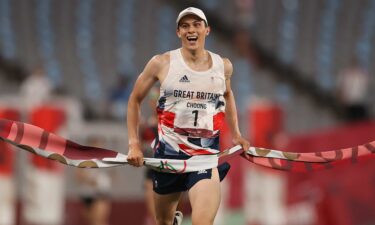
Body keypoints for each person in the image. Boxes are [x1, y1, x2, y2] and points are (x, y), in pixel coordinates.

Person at [127, 7, 250, 225]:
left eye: (196, 24)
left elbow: (228, 95)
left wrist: (238, 135)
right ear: (178, 32)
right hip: (168, 157)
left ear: (207, 30)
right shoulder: (162, 63)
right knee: (163, 222)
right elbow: (135, 99)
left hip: (204, 158)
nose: (190, 30)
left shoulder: (224, 66)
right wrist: (134, 144)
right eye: (185, 26)